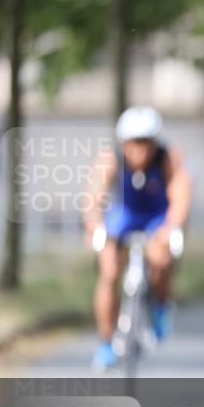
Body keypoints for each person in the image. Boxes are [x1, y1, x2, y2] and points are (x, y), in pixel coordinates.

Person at [84, 106, 192, 370]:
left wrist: (172, 227)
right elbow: (93, 199)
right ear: (124, 143)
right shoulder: (110, 160)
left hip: (157, 216)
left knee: (161, 257)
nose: (140, 150)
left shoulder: (168, 157)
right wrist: (95, 227)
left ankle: (160, 305)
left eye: (146, 142)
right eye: (134, 143)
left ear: (155, 143)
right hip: (123, 216)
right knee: (109, 270)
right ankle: (107, 340)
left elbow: (181, 194)